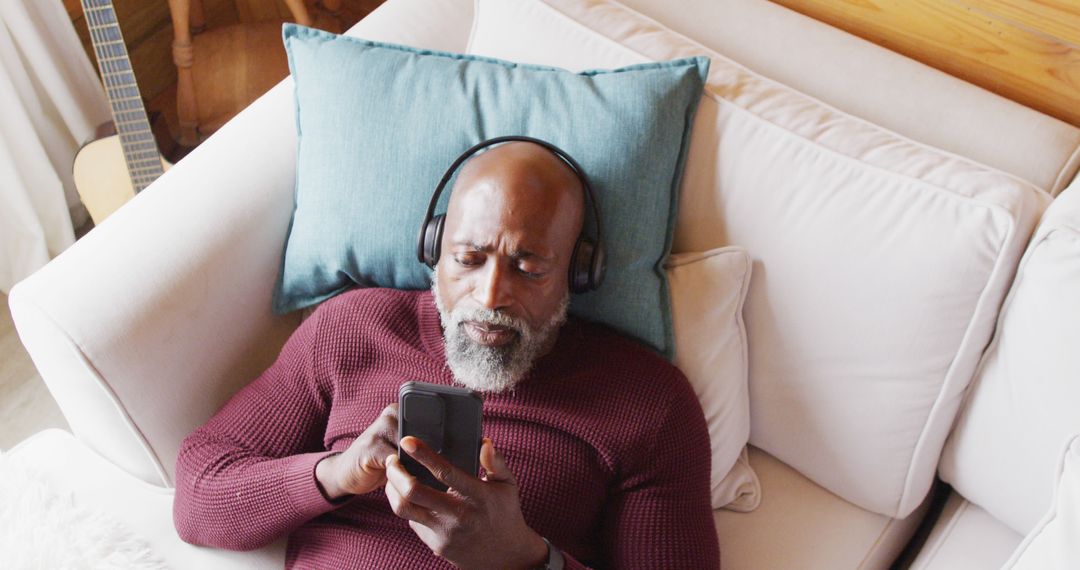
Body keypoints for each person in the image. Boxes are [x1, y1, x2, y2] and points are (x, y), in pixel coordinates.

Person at [173, 140, 720, 569]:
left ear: (580, 273)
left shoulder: (650, 404)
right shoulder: (352, 328)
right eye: (468, 259)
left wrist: (522, 557)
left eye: (529, 268)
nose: (489, 297)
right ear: (433, 250)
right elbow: (198, 497)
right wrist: (335, 474)